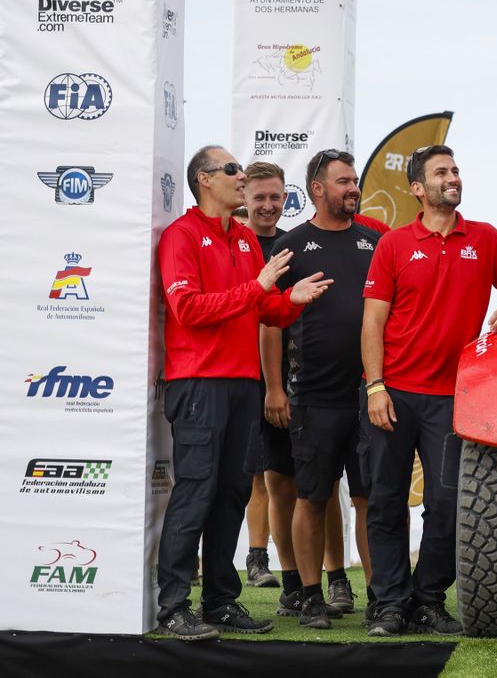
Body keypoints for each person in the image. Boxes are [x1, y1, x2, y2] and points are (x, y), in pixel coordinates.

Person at [154, 146, 331, 641]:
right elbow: (188, 309)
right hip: (199, 383)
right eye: (232, 169)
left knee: (232, 494)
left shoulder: (247, 239)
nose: (241, 174)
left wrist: (290, 300)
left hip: (242, 383)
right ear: (205, 179)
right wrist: (259, 288)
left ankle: (219, 602)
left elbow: (263, 311)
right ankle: (172, 607)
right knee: (196, 492)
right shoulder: (181, 235)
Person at [361, 145, 497, 636]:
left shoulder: (485, 238)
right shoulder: (394, 244)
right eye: (441, 172)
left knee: (449, 505)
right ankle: (390, 604)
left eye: (456, 170)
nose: (453, 177)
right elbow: (372, 323)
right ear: (418, 188)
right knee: (386, 502)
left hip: (454, 399)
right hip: (393, 393)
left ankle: (427, 600)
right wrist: (375, 387)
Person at [271, 149, 385, 628]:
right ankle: (311, 596)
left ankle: (381, 598)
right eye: (343, 181)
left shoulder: (377, 241)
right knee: (312, 497)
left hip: (370, 394)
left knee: (370, 500)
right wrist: (274, 388)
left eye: (354, 181)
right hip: (314, 395)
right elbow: (269, 322)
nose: (353, 188)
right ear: (317, 189)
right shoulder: (291, 246)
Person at [241, 162, 300, 598]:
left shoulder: (293, 246)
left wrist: (278, 384)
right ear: (244, 198)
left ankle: (286, 569)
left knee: (280, 476)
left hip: (286, 377)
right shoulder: (234, 243)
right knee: (254, 475)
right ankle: (255, 557)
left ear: (286, 198)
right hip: (241, 374)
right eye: (259, 197)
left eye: (275, 197)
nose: (267, 205)